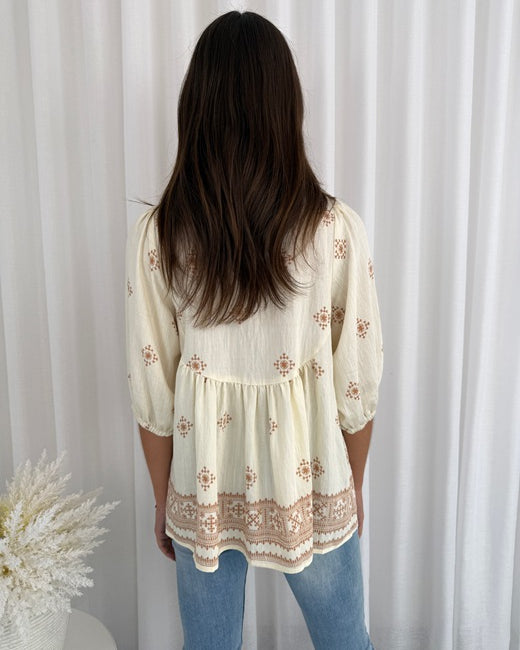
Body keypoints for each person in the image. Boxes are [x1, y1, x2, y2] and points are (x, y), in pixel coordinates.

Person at [125, 10, 383, 650]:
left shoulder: (160, 236)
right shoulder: (334, 230)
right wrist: (351, 487)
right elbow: (357, 384)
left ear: (195, 109)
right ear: (286, 107)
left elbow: (154, 391)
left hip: (202, 483)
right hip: (313, 476)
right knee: (347, 643)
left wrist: (165, 499)